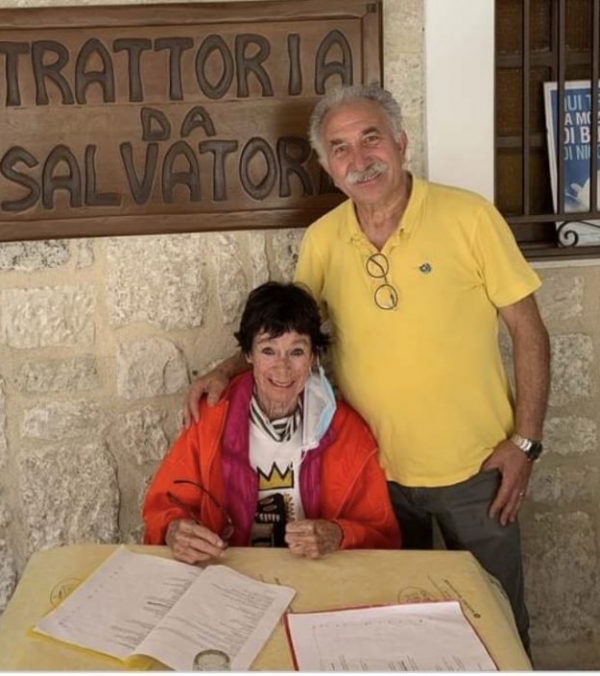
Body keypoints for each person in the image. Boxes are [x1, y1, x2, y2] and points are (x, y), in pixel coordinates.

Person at [183, 85, 550, 650]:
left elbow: (529, 329)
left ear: (400, 143)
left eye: (370, 138)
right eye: (341, 148)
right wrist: (222, 371)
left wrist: (524, 443)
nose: (360, 159)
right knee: (398, 631)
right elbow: (290, 335)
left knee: (495, 626)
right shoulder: (324, 239)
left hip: (475, 474)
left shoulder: (469, 217)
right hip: (372, 481)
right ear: (329, 167)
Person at [143, 281, 400, 564]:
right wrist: (173, 530)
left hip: (315, 578)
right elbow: (165, 507)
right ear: (248, 355)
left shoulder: (347, 432)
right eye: (268, 351)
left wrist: (339, 534)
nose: (282, 367)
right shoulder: (210, 419)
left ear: (313, 357)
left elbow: (381, 533)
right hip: (228, 575)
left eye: (296, 352)